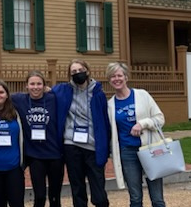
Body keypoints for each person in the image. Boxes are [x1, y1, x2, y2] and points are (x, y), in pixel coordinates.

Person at [52, 59, 110, 207]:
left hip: (92, 145)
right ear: (70, 75)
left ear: (87, 71)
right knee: (77, 187)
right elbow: (44, 91)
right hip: (71, 144)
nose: (78, 74)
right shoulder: (63, 91)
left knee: (99, 192)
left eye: (80, 70)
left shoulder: (98, 94)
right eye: (74, 72)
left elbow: (104, 120)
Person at [106, 62, 166, 207]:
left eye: (119, 75)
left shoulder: (142, 95)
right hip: (128, 152)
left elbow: (160, 119)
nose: (117, 79)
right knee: (135, 197)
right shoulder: (110, 105)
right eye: (113, 76)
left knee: (157, 197)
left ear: (126, 77)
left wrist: (142, 124)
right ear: (109, 80)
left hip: (149, 148)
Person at [13, 71, 62, 207]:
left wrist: (52, 90)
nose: (36, 87)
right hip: (35, 155)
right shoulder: (19, 99)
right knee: (39, 196)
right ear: (26, 86)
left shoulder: (53, 98)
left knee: (55, 196)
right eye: (32, 84)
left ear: (44, 86)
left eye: (39, 84)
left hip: (55, 154)